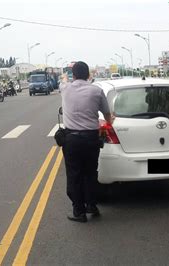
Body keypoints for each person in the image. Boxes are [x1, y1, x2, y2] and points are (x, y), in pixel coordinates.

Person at [60, 61, 114, 223]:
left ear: (73, 75)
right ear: (89, 75)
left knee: (75, 175)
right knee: (91, 173)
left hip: (72, 140)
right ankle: (92, 205)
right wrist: (111, 121)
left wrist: (65, 77)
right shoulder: (97, 91)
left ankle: (79, 211)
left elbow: (63, 81)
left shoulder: (65, 88)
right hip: (91, 139)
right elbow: (107, 116)